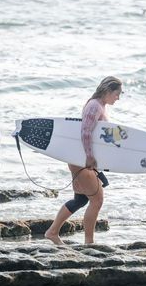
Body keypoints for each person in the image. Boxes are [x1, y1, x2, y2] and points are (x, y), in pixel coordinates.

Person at [45, 76, 123, 245]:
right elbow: (85, 132)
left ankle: (52, 232)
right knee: (97, 200)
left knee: (80, 200)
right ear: (108, 91)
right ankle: (89, 242)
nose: (118, 97)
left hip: (83, 159)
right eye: (117, 94)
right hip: (83, 160)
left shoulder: (99, 105)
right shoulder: (94, 105)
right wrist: (89, 156)